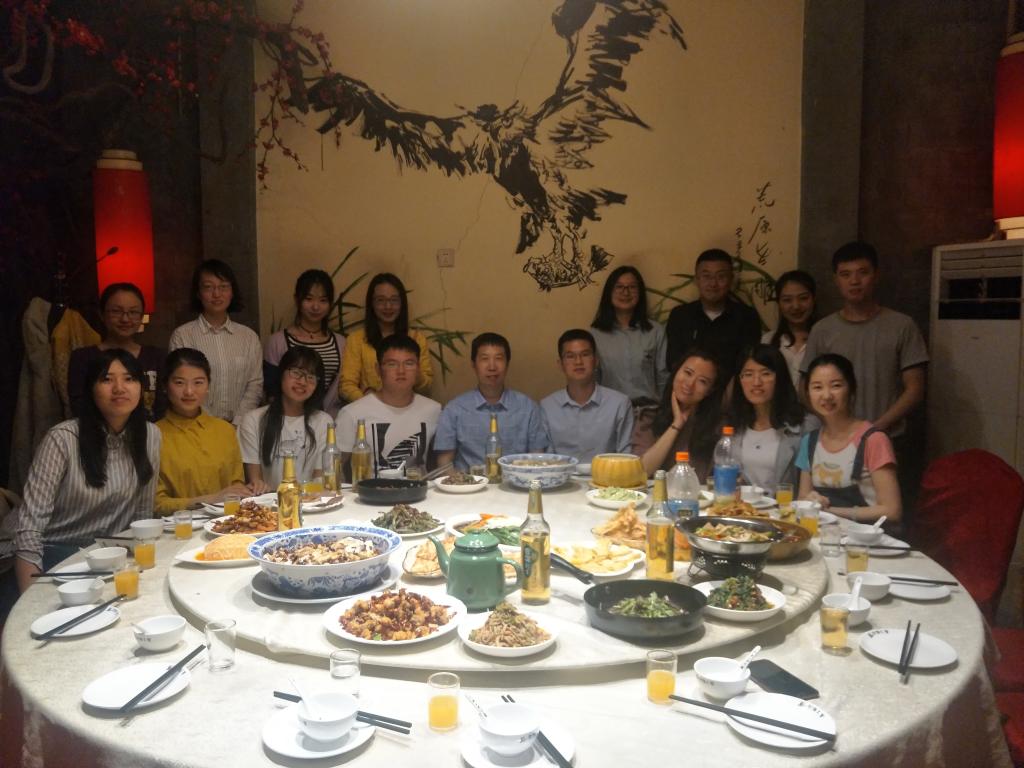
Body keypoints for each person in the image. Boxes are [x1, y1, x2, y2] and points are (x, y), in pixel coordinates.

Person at [13, 349, 161, 591]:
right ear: (91, 390)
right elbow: (29, 527)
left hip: (113, 559)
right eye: (107, 379)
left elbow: (142, 516)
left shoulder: (151, 435)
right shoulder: (63, 438)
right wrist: (30, 597)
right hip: (54, 559)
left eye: (129, 379)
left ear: (141, 388)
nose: (119, 388)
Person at [800, 242, 928, 436]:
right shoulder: (822, 330)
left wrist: (877, 428)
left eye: (863, 272)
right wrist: (832, 421)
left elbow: (915, 389)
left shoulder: (902, 325)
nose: (854, 281)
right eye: (845, 274)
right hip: (836, 437)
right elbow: (804, 387)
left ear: (876, 275)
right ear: (836, 279)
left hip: (889, 436)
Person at [796, 353, 901, 524]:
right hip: (824, 535)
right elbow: (802, 498)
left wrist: (830, 512)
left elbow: (892, 510)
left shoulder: (873, 440)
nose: (826, 395)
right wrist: (811, 500)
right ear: (808, 393)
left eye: (836, 386)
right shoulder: (810, 441)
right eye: (817, 387)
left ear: (851, 389)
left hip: (866, 536)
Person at [155, 348, 252, 514]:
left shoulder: (225, 430)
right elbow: (156, 504)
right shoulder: (153, 435)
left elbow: (237, 485)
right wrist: (210, 499)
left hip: (225, 522)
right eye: (179, 382)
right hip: (177, 525)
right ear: (165, 386)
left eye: (198, 382)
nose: (189, 391)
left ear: (208, 386)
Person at [434, 332, 550, 470]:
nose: (492, 366)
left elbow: (537, 460)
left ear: (507, 364)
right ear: (473, 365)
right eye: (484, 359)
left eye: (499, 358)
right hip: (469, 482)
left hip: (516, 482)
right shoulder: (454, 409)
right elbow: (444, 464)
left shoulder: (528, 408)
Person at [168, 259, 263, 426]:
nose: (217, 294)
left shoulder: (249, 337)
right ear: (198, 293)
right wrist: (211, 426)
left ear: (232, 292)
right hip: (196, 426)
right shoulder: (183, 336)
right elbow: (180, 384)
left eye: (223, 287)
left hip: (240, 428)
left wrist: (238, 423)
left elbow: (255, 384)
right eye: (208, 287)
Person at [336, 335, 441, 475]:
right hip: (369, 488)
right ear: (378, 369)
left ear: (418, 368)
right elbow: (334, 466)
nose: (401, 371)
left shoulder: (434, 410)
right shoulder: (352, 413)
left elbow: (444, 460)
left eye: (409, 363)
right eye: (392, 364)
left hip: (418, 487)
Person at [68, 282, 164, 421]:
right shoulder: (83, 358)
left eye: (133, 312)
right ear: (102, 314)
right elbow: (79, 407)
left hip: (149, 432)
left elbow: (162, 407)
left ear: (141, 316)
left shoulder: (156, 357)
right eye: (116, 311)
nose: (125, 319)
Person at [239, 347, 332, 489]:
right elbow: (255, 481)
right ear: (281, 373)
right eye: (296, 373)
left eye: (311, 377)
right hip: (268, 500)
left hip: (310, 499)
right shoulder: (253, 420)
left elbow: (320, 479)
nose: (303, 382)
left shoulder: (323, 421)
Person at [540, 329, 633, 463]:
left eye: (585, 354)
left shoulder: (619, 403)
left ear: (596, 361)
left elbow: (627, 457)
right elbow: (547, 460)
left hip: (608, 475)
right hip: (561, 475)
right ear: (560, 365)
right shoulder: (547, 407)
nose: (578, 362)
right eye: (570, 356)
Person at [665, 249, 761, 376]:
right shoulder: (680, 316)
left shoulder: (748, 317)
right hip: (690, 386)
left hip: (733, 387)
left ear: (731, 280)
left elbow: (749, 364)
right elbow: (674, 362)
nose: (713, 283)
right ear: (696, 280)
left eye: (721, 276)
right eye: (706, 276)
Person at [264, 269, 347, 417]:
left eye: (323, 300)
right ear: (297, 300)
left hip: (332, 422)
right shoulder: (278, 342)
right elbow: (271, 390)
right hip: (289, 421)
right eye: (309, 299)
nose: (316, 307)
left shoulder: (341, 343)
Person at [339, 273, 433, 402]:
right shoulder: (356, 339)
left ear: (402, 303)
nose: (388, 306)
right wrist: (372, 403)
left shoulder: (417, 338)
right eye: (381, 300)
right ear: (371, 303)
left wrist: (414, 373)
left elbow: (427, 385)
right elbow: (346, 385)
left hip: (407, 407)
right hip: (369, 409)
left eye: (394, 300)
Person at [729, 344, 806, 493]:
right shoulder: (733, 426)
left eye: (765, 373)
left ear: (780, 378)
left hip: (785, 507)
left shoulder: (803, 426)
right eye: (748, 374)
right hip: (743, 506)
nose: (756, 382)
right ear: (740, 380)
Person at [589, 266, 668, 404]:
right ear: (609, 292)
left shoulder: (655, 332)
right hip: (610, 410)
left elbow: (663, 377)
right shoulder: (595, 335)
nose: (625, 292)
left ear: (640, 293)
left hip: (648, 410)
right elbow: (593, 379)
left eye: (632, 287)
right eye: (619, 287)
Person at [639, 349, 722, 479]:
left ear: (710, 391)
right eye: (688, 373)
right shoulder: (648, 416)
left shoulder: (717, 427)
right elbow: (642, 472)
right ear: (676, 372)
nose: (690, 384)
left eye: (702, 381)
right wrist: (676, 424)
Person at [763, 270, 817, 388]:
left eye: (803, 298)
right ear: (779, 303)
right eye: (787, 300)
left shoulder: (826, 338)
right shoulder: (767, 341)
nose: (796, 306)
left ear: (814, 299)